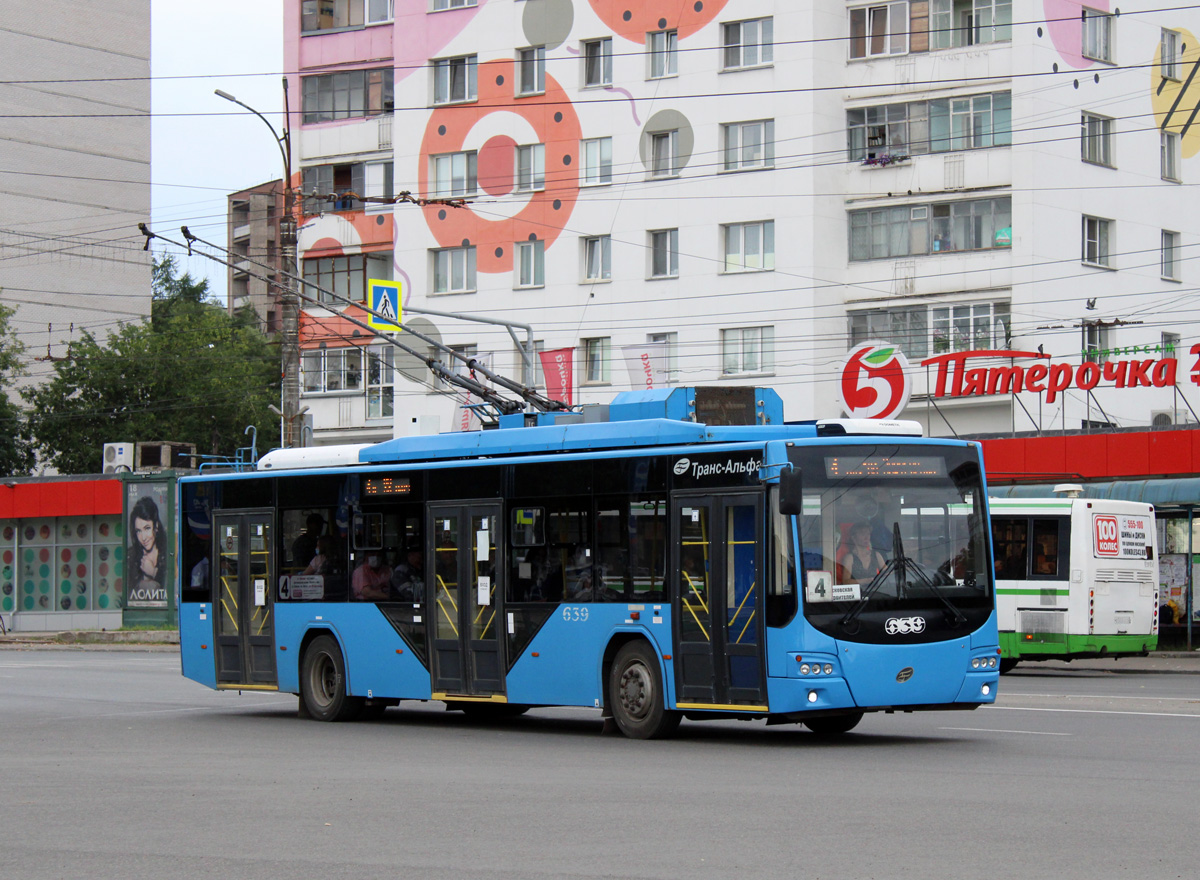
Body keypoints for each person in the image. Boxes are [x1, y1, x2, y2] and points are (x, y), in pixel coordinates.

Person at [129, 496, 165, 590]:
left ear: (156, 526)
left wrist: (153, 572)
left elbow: (174, 589)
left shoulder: (168, 552)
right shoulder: (130, 557)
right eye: (138, 531)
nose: (143, 538)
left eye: (147, 528)